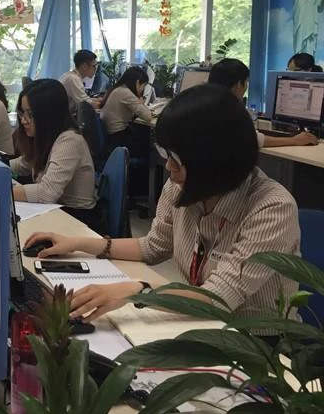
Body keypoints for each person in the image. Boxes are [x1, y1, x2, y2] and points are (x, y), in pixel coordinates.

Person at [24, 84, 300, 324]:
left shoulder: (272, 208)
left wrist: (139, 291)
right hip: (203, 328)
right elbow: (153, 247)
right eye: (166, 154)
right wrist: (78, 243)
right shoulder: (183, 186)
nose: (169, 167)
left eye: (176, 159)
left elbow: (218, 298)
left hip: (258, 345)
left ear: (213, 161)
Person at [11, 79, 99, 230]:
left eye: (30, 114)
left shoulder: (69, 141)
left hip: (77, 219)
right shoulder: (47, 136)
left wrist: (5, 191)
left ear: (48, 115)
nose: (23, 120)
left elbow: (47, 193)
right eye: (22, 113)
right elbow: (24, 164)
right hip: (56, 211)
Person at [210, 58, 318, 148]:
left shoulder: (207, 103)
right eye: (246, 82)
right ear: (239, 85)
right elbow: (253, 139)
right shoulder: (228, 110)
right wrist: (294, 140)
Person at [99, 66, 152, 145]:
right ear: (137, 83)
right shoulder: (125, 93)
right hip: (117, 137)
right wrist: (141, 102)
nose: (143, 90)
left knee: (140, 130)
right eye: (143, 86)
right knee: (145, 134)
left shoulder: (118, 89)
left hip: (111, 134)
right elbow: (148, 116)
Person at [59, 50, 101, 117]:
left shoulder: (70, 76)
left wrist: (99, 100)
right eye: (94, 66)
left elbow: (85, 99)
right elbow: (86, 104)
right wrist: (106, 103)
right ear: (84, 66)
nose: (96, 69)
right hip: (63, 118)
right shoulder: (73, 79)